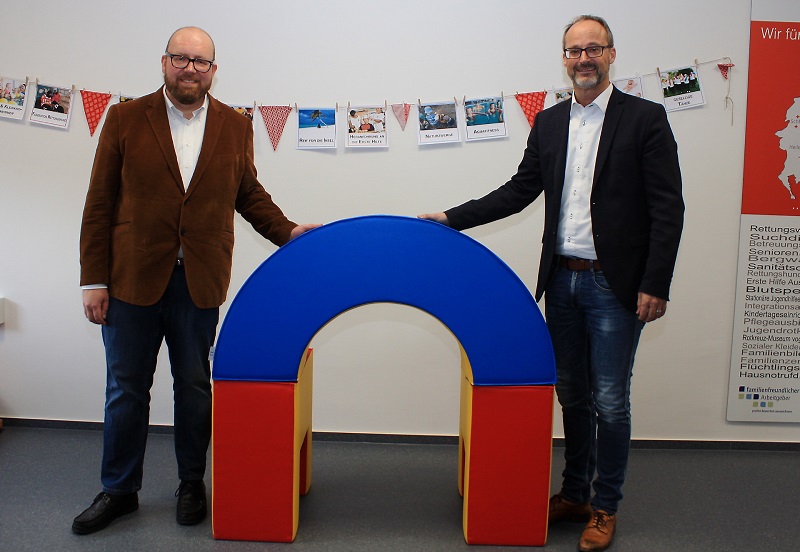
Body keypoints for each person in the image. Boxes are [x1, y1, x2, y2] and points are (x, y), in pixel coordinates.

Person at [420, 14, 683, 552]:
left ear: (611, 54)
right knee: (571, 394)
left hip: (615, 285)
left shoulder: (645, 119)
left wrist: (655, 283)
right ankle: (576, 494)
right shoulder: (549, 122)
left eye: (593, 49)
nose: (583, 59)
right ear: (564, 59)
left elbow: (667, 208)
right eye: (573, 51)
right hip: (561, 281)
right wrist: (450, 219)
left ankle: (605, 507)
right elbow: (519, 190)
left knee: (610, 401)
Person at [74, 26, 319, 535]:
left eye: (200, 61)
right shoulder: (124, 118)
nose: (190, 69)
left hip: (199, 281)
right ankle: (119, 489)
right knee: (125, 390)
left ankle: (191, 483)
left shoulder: (235, 125)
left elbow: (247, 193)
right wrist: (92, 279)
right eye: (181, 59)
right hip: (129, 281)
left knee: (193, 387)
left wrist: (288, 232)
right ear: (165, 62)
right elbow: (99, 203)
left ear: (213, 70)